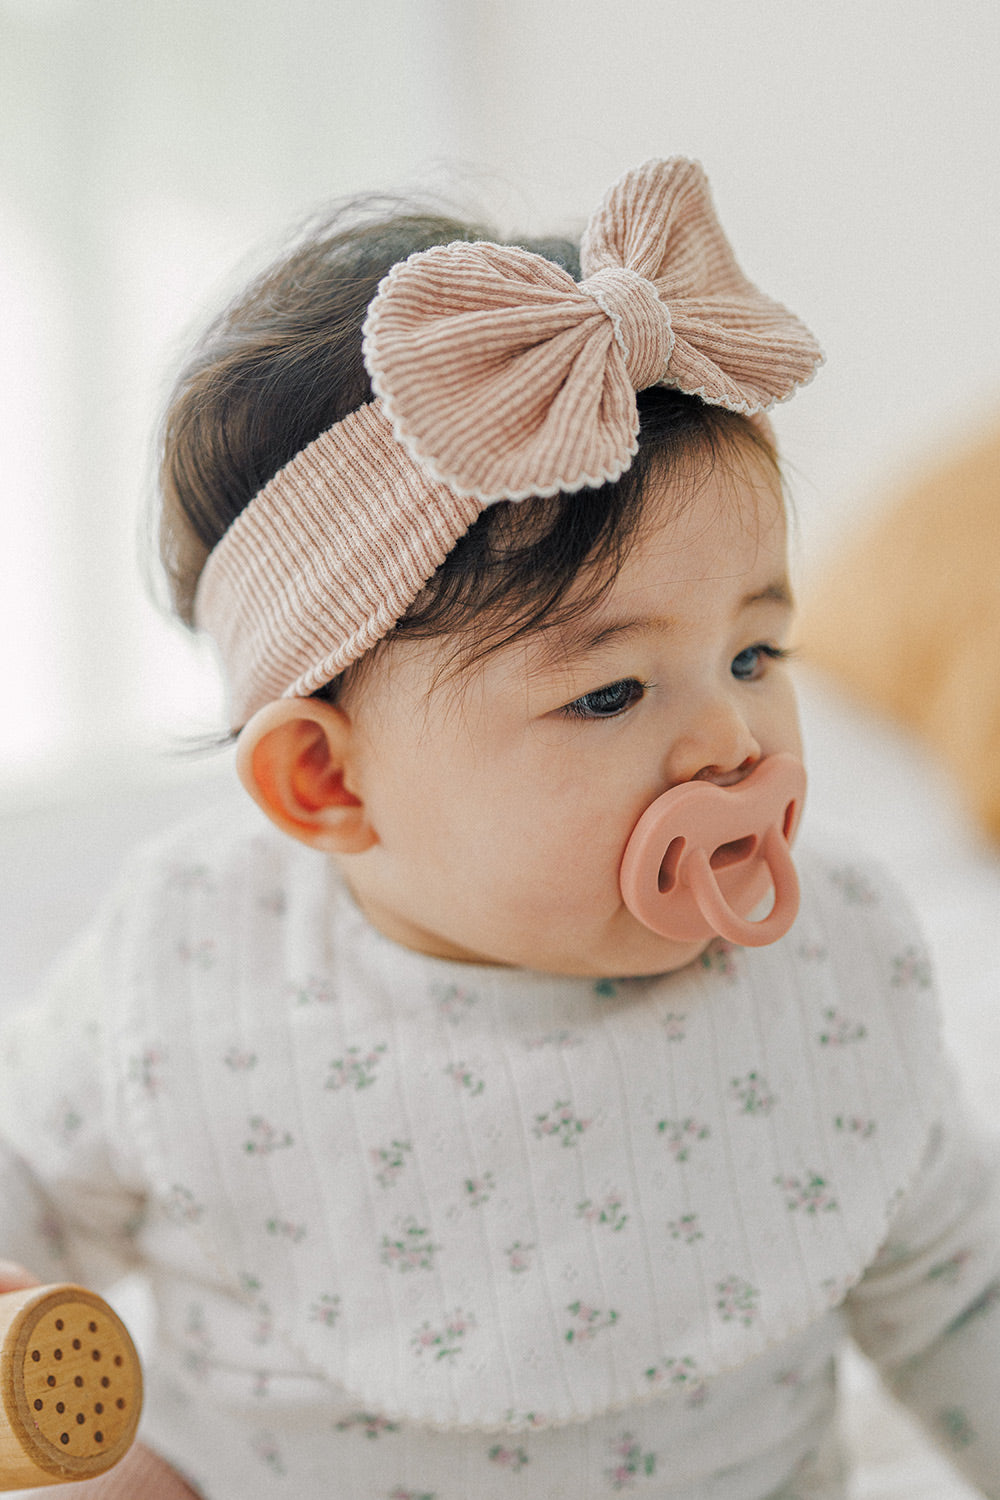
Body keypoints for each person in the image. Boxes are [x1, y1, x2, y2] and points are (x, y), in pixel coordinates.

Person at [2, 158, 999, 1500]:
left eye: (758, 654)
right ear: (326, 785)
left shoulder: (818, 982)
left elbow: (963, 1302)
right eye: (608, 691)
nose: (734, 742)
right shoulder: (191, 965)